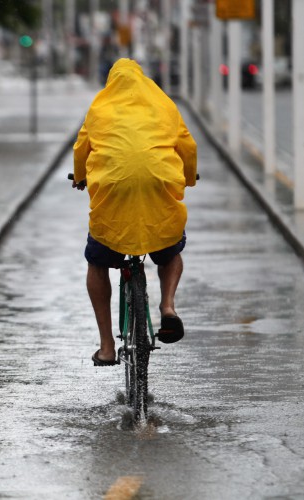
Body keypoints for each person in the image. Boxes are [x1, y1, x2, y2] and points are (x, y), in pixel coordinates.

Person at [71, 58, 197, 366]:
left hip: (114, 193)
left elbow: (81, 149)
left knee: (97, 262)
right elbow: (188, 147)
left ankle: (106, 346)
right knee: (169, 249)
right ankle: (167, 306)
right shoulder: (164, 106)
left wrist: (79, 177)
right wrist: (190, 177)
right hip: (158, 187)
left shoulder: (100, 107)